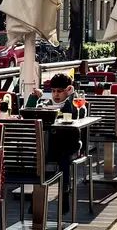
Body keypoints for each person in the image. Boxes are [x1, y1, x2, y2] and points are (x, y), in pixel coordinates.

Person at [25, 73, 80, 213]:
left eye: (60, 91)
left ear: (67, 90)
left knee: (63, 157)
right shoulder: (45, 104)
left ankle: (65, 190)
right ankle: (35, 196)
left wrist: (71, 96)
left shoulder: (74, 104)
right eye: (53, 91)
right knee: (37, 157)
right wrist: (33, 98)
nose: (56, 95)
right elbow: (29, 115)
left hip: (69, 145)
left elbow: (73, 113)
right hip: (48, 146)